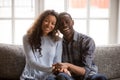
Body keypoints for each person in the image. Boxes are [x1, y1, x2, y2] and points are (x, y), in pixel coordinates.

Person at [53, 12, 107, 80]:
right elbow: (57, 66)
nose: (64, 25)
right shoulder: (57, 44)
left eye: (67, 22)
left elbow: (86, 71)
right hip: (69, 76)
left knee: (101, 78)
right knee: (61, 76)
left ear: (72, 22)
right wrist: (59, 69)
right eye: (61, 24)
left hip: (88, 76)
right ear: (58, 27)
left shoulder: (87, 41)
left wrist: (68, 65)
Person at [20, 10, 62, 80]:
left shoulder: (58, 40)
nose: (49, 25)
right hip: (30, 76)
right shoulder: (27, 38)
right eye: (46, 21)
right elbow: (31, 62)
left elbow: (57, 61)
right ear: (41, 21)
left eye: (53, 23)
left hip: (49, 76)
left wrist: (56, 69)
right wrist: (50, 69)